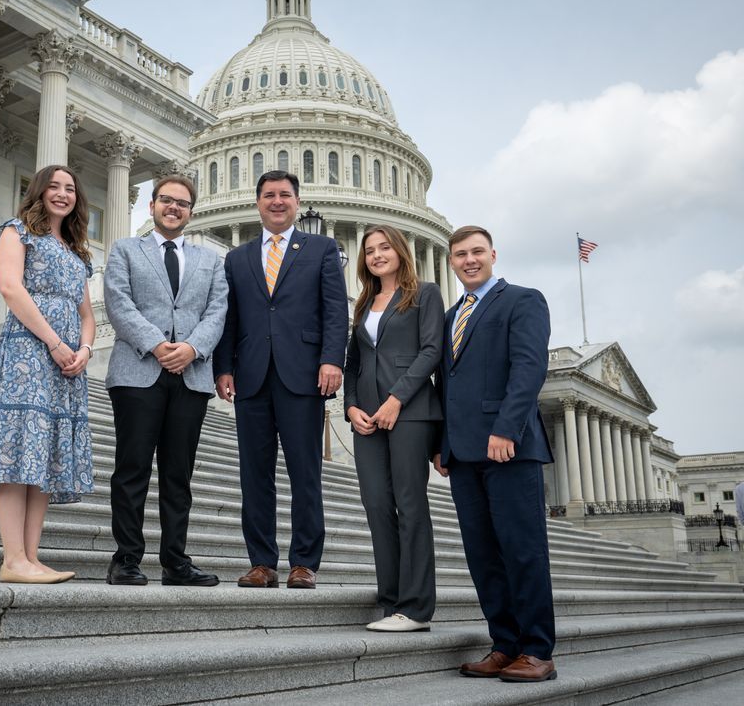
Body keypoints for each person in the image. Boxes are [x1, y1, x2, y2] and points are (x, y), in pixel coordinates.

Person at [214, 170, 348, 589]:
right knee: (254, 473)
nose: (277, 201)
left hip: (303, 374)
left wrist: (332, 360)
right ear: (258, 202)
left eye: (285, 195)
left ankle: (304, 562)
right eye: (269, 195)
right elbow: (229, 318)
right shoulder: (237, 258)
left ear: (296, 201)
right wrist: (223, 367)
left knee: (305, 471)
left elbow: (334, 310)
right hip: (251, 376)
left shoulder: (322, 249)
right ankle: (262, 562)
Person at [434, 225, 557, 682]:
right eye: (461, 254)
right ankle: (504, 645)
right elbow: (445, 386)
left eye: (477, 252)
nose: (469, 260)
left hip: (509, 448)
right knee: (483, 554)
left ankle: (538, 650)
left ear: (493, 255)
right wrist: (443, 446)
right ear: (451, 261)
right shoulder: (450, 316)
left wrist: (507, 428)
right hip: (464, 454)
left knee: (522, 550)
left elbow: (529, 368)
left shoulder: (524, 300)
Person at [0, 164, 95, 584]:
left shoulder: (77, 251)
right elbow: (10, 288)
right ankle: (12, 558)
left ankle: (30, 557)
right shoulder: (17, 230)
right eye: (55, 187)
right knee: (19, 445)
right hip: (27, 353)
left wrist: (85, 349)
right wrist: (55, 343)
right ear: (39, 191)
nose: (63, 194)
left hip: (67, 366)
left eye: (70, 188)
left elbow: (87, 314)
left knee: (44, 452)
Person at [103, 174, 228, 586]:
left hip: (190, 377)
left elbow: (217, 312)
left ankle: (175, 561)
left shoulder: (211, 261)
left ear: (191, 212)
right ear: (153, 205)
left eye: (183, 203)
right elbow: (119, 304)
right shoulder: (124, 250)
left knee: (179, 474)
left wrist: (192, 348)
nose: (174, 208)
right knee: (132, 468)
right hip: (138, 372)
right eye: (166, 200)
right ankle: (126, 558)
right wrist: (158, 345)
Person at [344, 225, 444, 632]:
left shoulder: (426, 293)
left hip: (410, 411)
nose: (377, 255)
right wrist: (350, 405)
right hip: (366, 417)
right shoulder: (365, 302)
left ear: (402, 251)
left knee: (410, 504)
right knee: (377, 505)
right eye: (370, 250)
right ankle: (391, 602)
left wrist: (396, 399)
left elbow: (432, 350)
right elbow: (354, 362)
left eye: (385, 247)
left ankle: (416, 607)